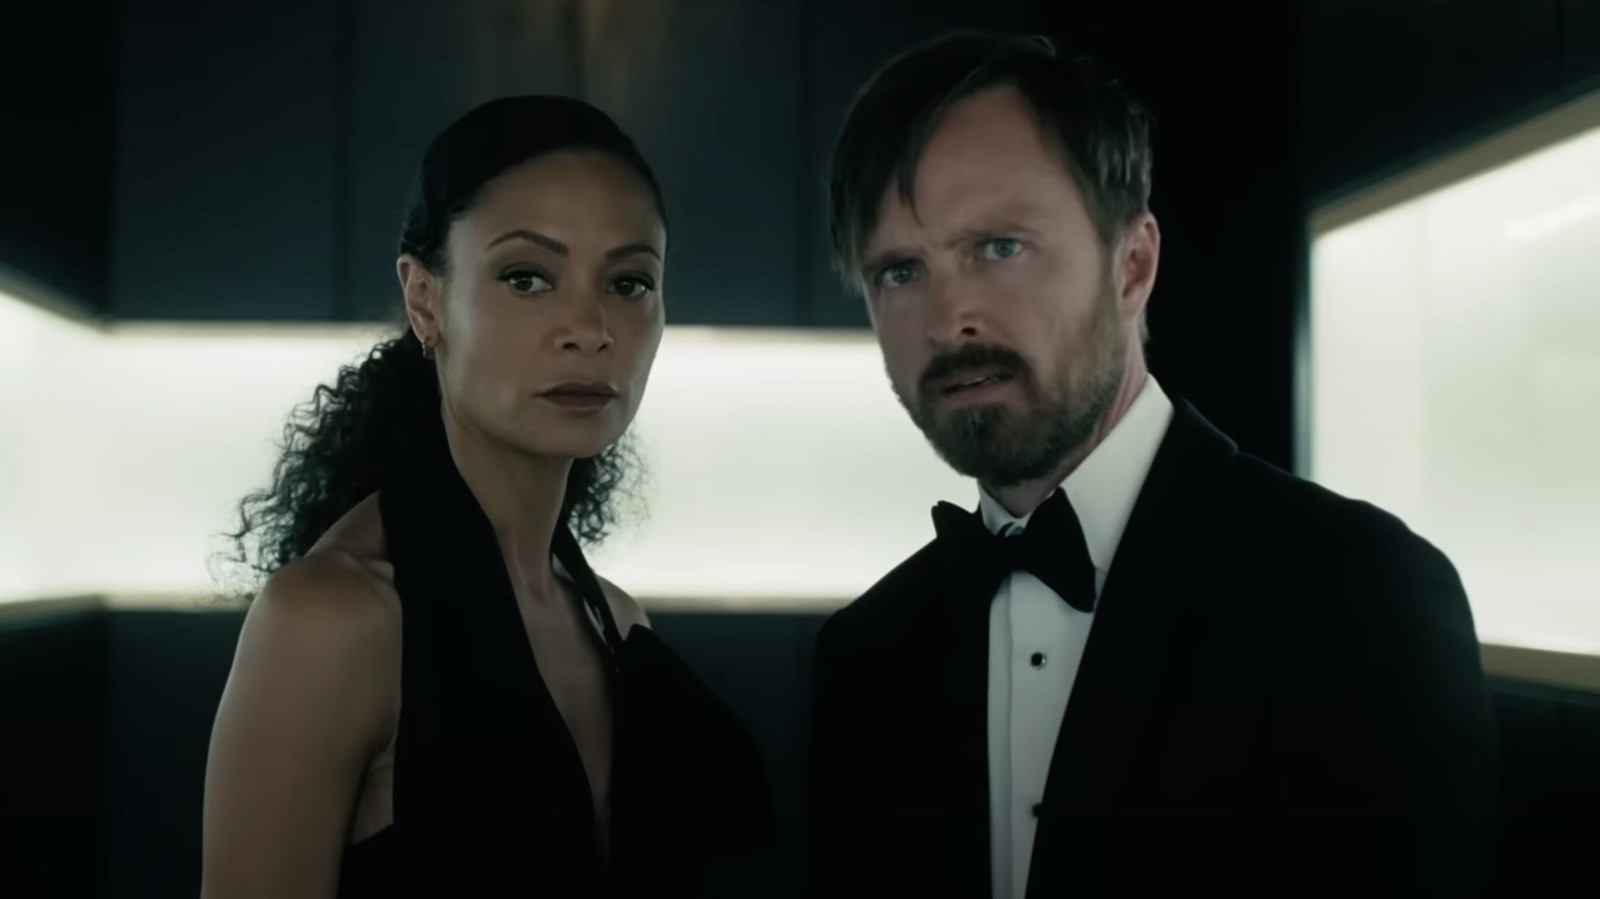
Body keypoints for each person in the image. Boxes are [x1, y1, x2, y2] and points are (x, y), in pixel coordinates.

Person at [806, 31, 1497, 899]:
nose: (949, 320)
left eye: (1000, 247)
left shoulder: (1358, 595)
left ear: (1132, 266)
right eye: (901, 271)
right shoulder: (864, 657)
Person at [202, 95, 772, 898]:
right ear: (425, 298)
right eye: (527, 277)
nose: (590, 327)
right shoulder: (334, 621)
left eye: (629, 281)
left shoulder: (618, 622)